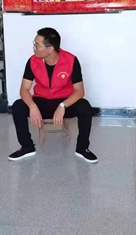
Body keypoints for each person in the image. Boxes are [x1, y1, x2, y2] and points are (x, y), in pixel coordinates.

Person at [8, 27, 97, 163]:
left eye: (37, 45)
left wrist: (62, 106)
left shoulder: (71, 60)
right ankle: (27, 147)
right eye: (34, 44)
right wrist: (32, 106)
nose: (34, 48)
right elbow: (24, 89)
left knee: (84, 106)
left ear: (50, 49)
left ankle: (82, 148)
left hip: (64, 102)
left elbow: (79, 91)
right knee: (18, 106)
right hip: (42, 101)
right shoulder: (32, 61)